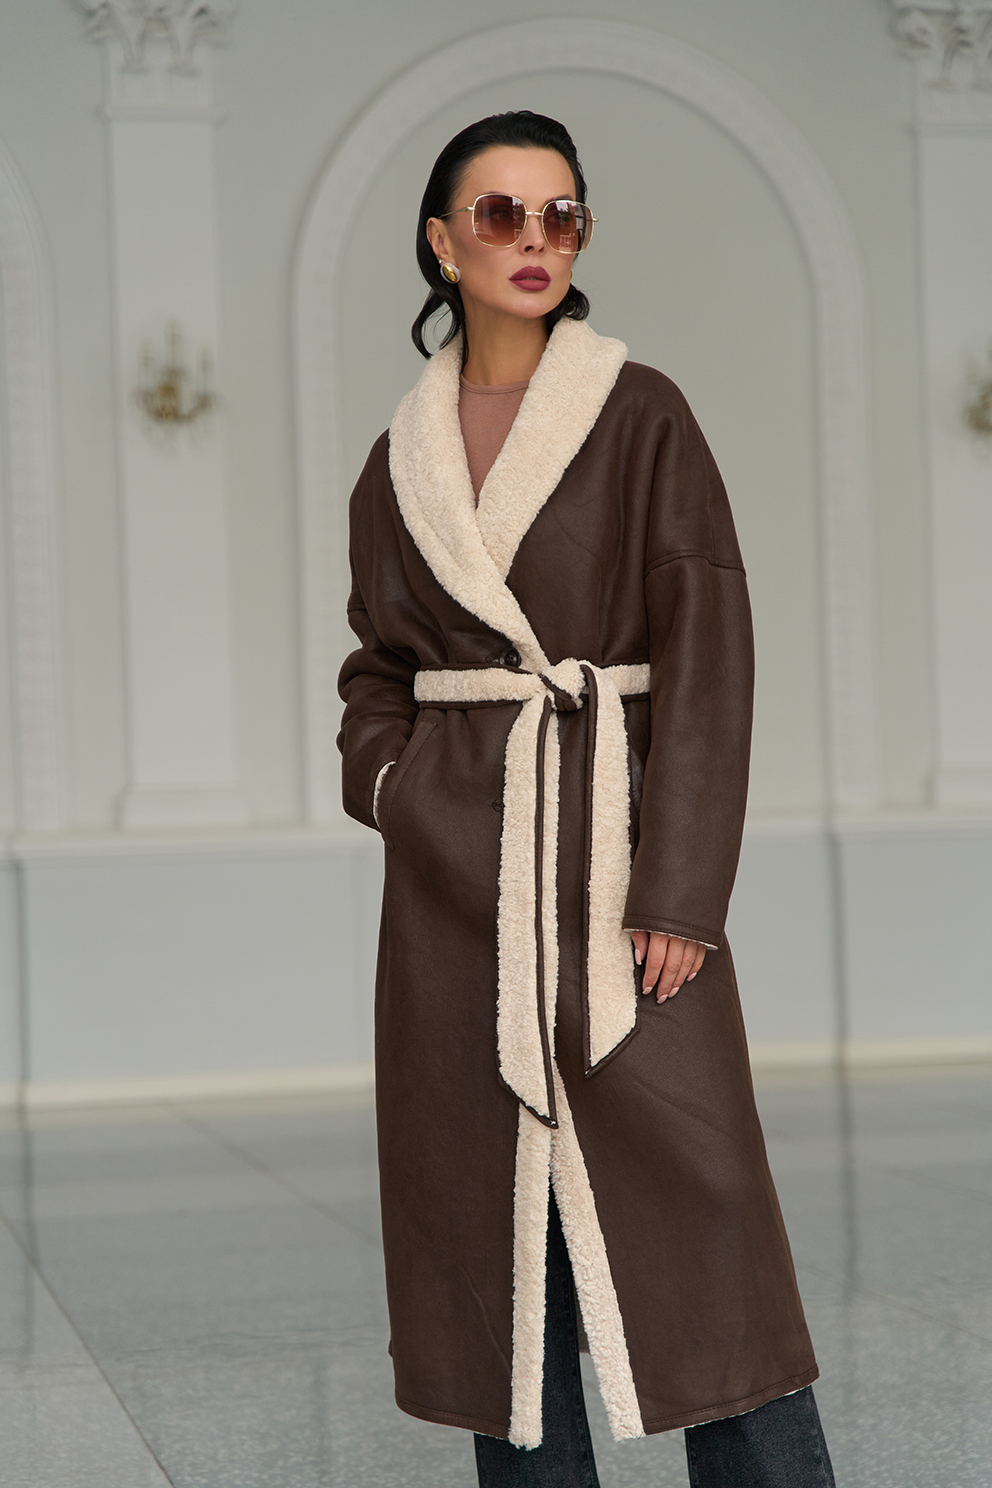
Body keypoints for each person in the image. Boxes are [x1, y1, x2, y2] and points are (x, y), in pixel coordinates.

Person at [337, 110, 836, 1488]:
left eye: (560, 214)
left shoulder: (640, 414)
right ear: (442, 243)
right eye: (500, 214)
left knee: (704, 1220)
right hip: (459, 889)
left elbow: (711, 655)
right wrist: (394, 785)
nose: (534, 239)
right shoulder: (400, 458)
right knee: (500, 1248)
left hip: (618, 869)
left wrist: (681, 888)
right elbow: (376, 665)